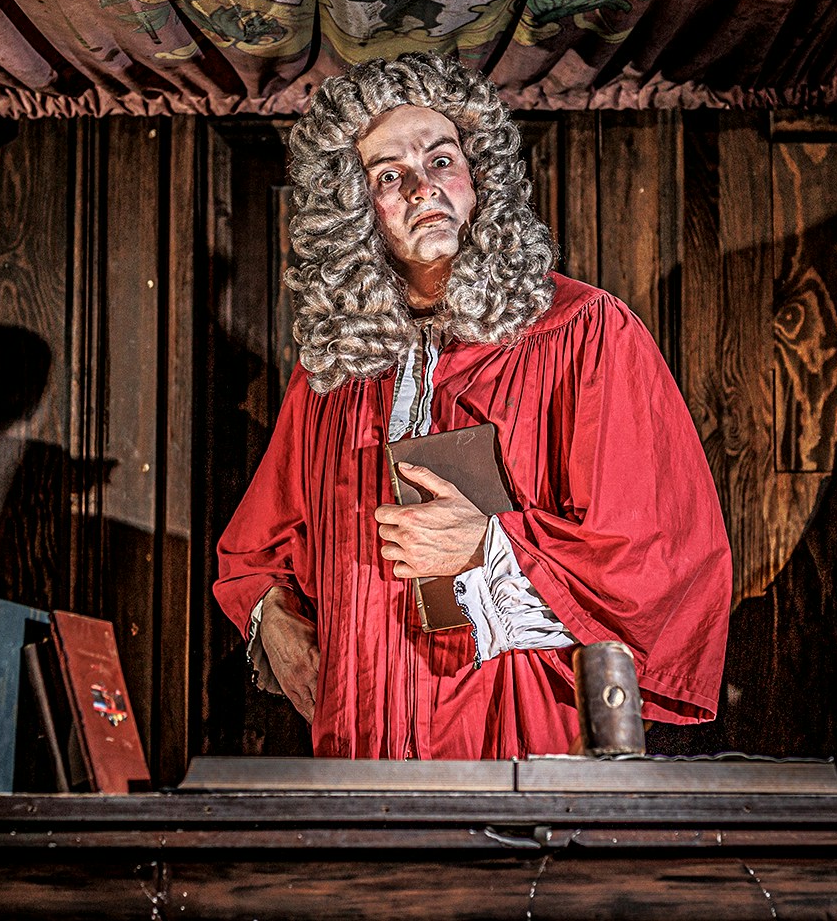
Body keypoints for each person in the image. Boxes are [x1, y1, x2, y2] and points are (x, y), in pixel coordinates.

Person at [212, 52, 732, 760]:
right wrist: (271, 613)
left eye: (441, 160)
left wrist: (492, 547)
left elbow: (663, 555)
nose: (423, 187)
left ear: (479, 175)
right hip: (360, 736)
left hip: (520, 728)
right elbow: (261, 545)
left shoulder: (585, 332)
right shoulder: (335, 367)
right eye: (389, 175)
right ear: (355, 207)